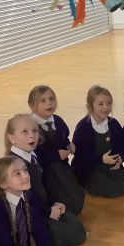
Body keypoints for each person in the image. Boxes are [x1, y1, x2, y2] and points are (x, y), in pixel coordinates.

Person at [5, 114, 86, 246]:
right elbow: (27, 200)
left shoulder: (33, 155)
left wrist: (54, 202)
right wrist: (48, 211)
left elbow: (42, 185)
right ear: (12, 138)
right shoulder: (14, 165)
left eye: (35, 131)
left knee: (74, 223)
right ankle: (33, 241)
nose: (32, 136)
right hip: (29, 215)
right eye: (25, 132)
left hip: (41, 207)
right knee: (74, 232)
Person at [28, 85, 85, 215]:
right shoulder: (31, 127)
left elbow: (64, 138)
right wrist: (56, 155)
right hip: (45, 173)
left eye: (51, 99)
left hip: (63, 168)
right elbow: (34, 156)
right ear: (32, 105)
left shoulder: (58, 121)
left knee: (73, 192)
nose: (49, 103)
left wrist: (68, 145)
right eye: (43, 101)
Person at [72, 85, 124, 197]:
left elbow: (121, 145)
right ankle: (84, 184)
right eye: (100, 104)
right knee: (112, 190)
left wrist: (120, 159)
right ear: (90, 106)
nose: (105, 107)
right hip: (90, 168)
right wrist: (101, 159)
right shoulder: (84, 127)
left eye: (109, 103)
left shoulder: (113, 124)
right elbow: (80, 155)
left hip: (109, 166)